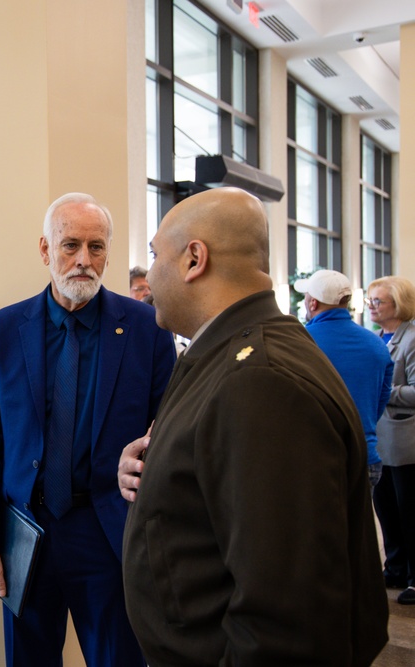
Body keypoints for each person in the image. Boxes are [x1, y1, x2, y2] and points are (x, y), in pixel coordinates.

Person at [118, 187, 388, 665]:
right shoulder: (227, 353)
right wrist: (154, 467)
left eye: (157, 254)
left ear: (193, 259)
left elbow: (284, 617)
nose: (149, 273)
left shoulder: (259, 381)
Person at [0, 193, 176, 667]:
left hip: (109, 532)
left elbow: (171, 432)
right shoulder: (4, 330)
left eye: (97, 247)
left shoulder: (147, 328)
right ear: (45, 250)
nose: (84, 260)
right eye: (70, 245)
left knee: (119, 657)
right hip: (26, 532)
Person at [295, 269, 393, 489]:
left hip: (316, 458)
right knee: (360, 524)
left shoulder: (299, 343)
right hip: (365, 456)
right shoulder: (376, 344)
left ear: (313, 304)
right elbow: (380, 401)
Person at [368, 275, 415, 604]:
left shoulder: (412, 338)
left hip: (405, 441)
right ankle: (395, 568)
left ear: (398, 304)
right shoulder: (376, 337)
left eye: (377, 302)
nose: (371, 307)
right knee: (386, 510)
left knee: (409, 511)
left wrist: (385, 391)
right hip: (380, 440)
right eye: (370, 301)